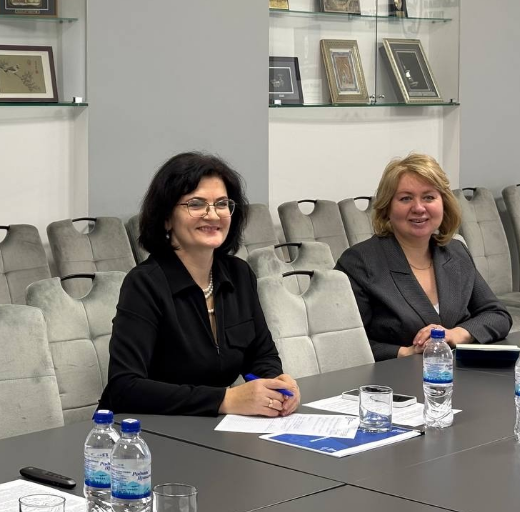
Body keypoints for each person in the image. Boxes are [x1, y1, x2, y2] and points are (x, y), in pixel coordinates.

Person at [98, 152, 300, 417]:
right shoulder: (144, 284)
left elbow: (261, 356)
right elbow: (125, 387)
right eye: (196, 204)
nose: (212, 215)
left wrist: (276, 385)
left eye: (221, 204)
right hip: (142, 430)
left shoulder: (239, 274)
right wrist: (225, 399)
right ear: (166, 217)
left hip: (209, 427)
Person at [335, 154, 511, 361]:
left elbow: (497, 315)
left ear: (444, 204)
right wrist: (406, 352)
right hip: (394, 376)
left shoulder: (456, 251)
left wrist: (455, 335)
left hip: (456, 374)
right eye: (405, 198)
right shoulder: (359, 262)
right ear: (387, 207)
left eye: (428, 197)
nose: (419, 208)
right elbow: (342, 343)